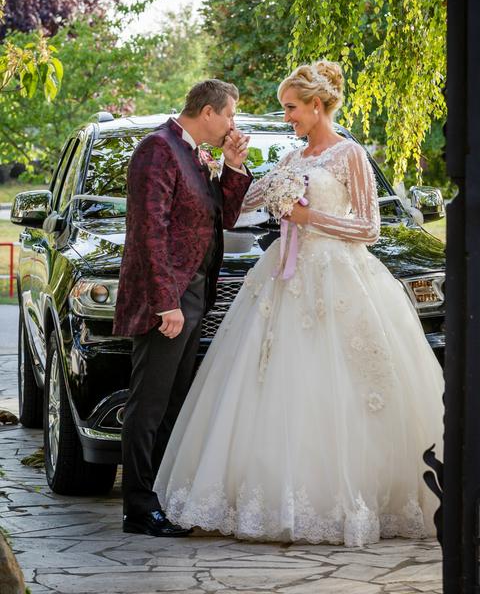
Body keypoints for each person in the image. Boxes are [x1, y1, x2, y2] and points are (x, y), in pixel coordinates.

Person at [153, 60, 444, 546]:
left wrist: (309, 218)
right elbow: (243, 203)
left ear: (316, 105)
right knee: (274, 381)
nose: (286, 116)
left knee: (345, 385)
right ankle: (272, 493)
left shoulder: (351, 154)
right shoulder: (290, 159)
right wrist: (234, 165)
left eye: (290, 108)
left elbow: (369, 227)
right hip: (284, 279)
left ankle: (354, 497)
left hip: (340, 279)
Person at [113, 79, 252, 537]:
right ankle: (138, 507)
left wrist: (233, 167)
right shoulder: (158, 148)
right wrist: (165, 302)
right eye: (230, 114)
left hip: (194, 295)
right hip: (168, 299)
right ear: (208, 112)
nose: (232, 123)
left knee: (174, 403)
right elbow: (148, 231)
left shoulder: (194, 153)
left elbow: (222, 217)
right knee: (148, 406)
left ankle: (162, 498)